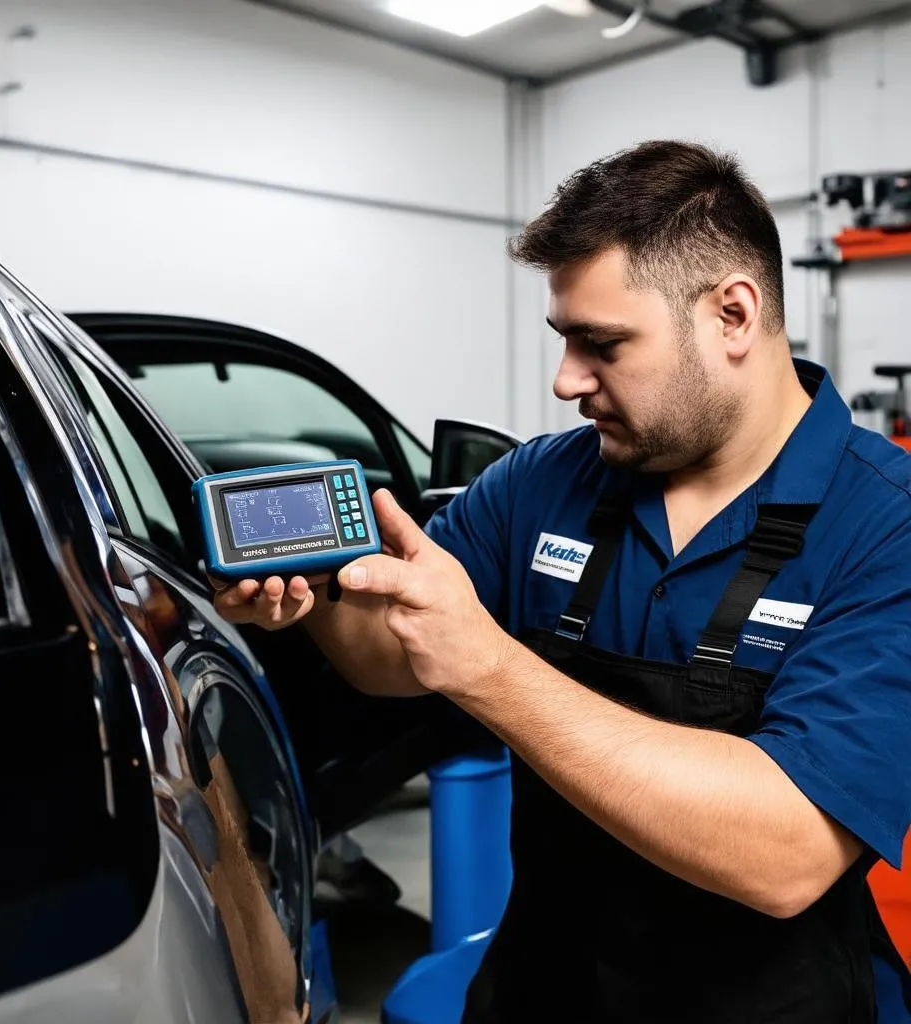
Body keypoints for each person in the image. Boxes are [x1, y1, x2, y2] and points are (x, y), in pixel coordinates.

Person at [212, 140, 911, 1023]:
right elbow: (396, 660)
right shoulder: (542, 482)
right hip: (545, 988)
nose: (566, 379)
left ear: (733, 315)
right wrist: (316, 602)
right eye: (564, 338)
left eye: (603, 344)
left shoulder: (885, 523)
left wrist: (491, 669)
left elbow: (785, 856)